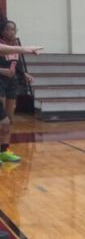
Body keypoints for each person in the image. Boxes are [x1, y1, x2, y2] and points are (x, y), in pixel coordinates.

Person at [0, 20, 38, 164]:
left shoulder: (15, 45)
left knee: (8, 120)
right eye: (9, 29)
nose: (12, 32)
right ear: (3, 30)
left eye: (14, 29)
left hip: (12, 82)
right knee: (1, 118)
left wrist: (24, 74)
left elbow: (18, 65)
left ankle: (4, 151)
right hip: (0, 80)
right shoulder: (2, 45)